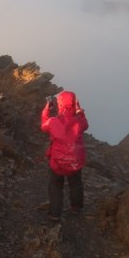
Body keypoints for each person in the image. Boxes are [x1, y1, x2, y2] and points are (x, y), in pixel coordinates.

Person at [40, 91, 89, 221]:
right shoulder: (79, 122)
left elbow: (43, 126)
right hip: (75, 161)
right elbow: (86, 124)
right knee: (76, 183)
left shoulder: (53, 121)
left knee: (56, 185)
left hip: (58, 162)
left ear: (59, 104)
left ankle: (55, 214)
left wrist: (47, 109)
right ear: (74, 104)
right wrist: (79, 110)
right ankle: (76, 208)